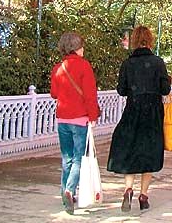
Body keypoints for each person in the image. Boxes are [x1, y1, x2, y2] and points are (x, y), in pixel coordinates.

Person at [107, 26, 171, 212]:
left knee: (130, 149)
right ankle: (143, 196)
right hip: (152, 113)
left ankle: (128, 189)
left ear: (134, 40)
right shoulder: (158, 62)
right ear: (150, 40)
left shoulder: (127, 64)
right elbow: (165, 90)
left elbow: (121, 90)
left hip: (133, 110)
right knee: (149, 151)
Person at [50, 32, 100, 214]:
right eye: (82, 46)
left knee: (67, 157)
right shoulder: (84, 66)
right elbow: (90, 94)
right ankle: (70, 190)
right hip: (80, 118)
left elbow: (54, 93)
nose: (83, 49)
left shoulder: (58, 67)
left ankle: (65, 192)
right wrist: (93, 116)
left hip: (62, 117)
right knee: (79, 157)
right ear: (77, 48)